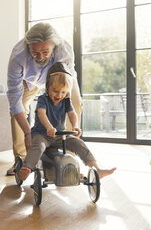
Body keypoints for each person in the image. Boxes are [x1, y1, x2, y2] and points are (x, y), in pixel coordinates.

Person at [18, 62, 116, 181]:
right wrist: (49, 127)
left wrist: (75, 126)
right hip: (42, 134)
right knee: (38, 146)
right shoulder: (43, 99)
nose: (59, 95)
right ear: (48, 87)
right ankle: (27, 168)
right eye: (55, 91)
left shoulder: (65, 101)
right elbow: (41, 113)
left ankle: (97, 169)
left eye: (63, 92)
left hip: (59, 136)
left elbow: (72, 113)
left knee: (78, 143)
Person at [6, 22, 81, 175]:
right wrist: (29, 133)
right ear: (28, 46)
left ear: (54, 46)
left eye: (45, 52)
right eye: (35, 52)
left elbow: (66, 88)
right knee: (17, 111)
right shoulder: (18, 57)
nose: (40, 57)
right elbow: (14, 99)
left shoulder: (64, 51)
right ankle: (21, 159)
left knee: (75, 103)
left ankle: (68, 162)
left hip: (60, 79)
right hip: (29, 81)